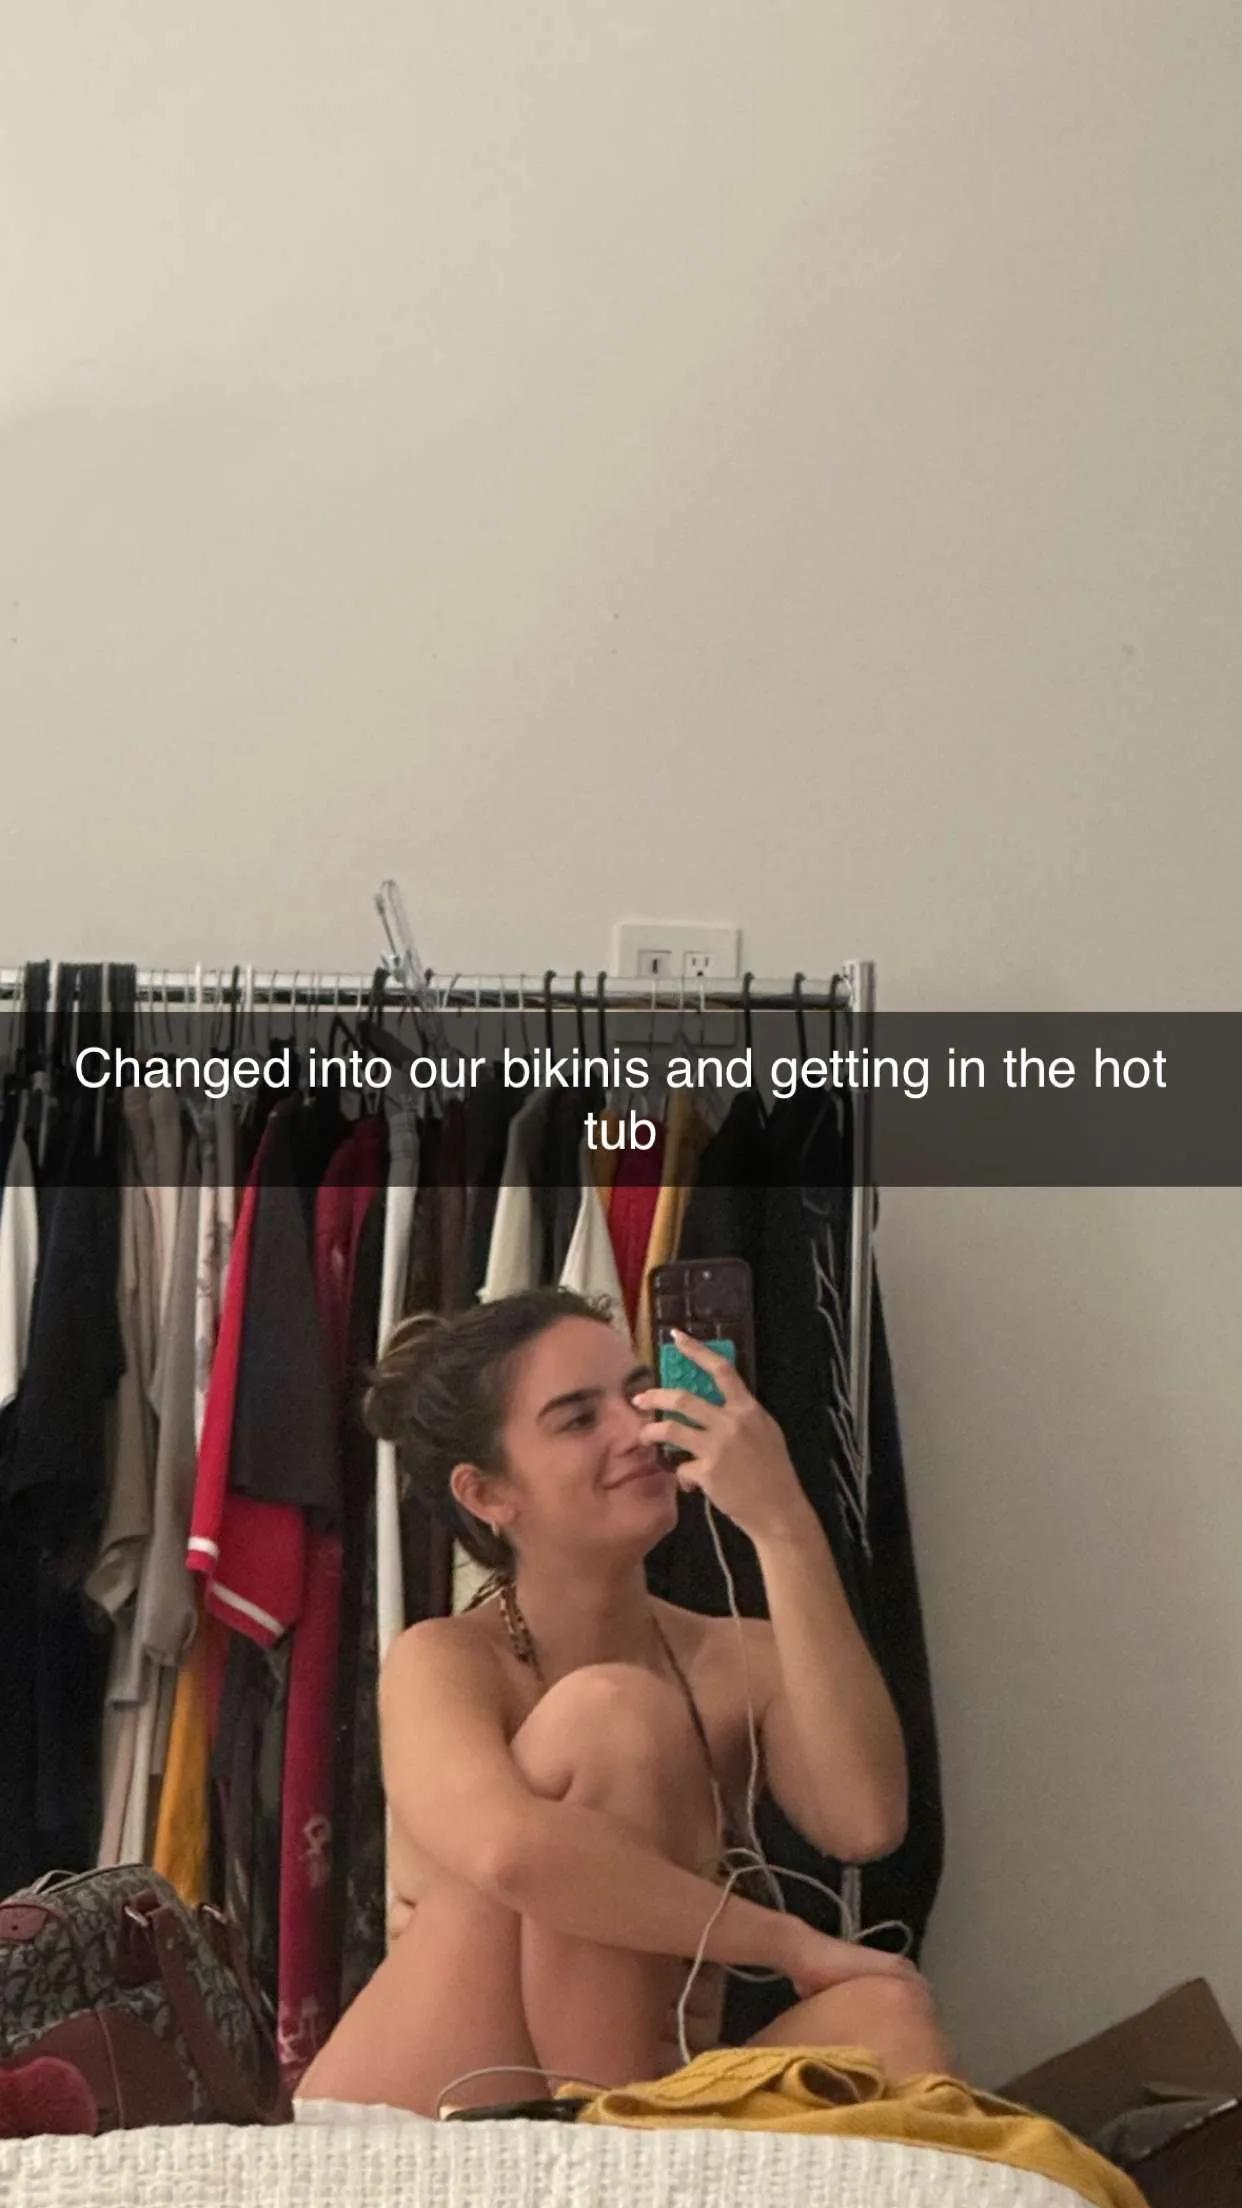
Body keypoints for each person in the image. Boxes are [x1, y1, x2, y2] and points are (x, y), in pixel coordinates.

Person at [297, 1287, 952, 2115]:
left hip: (621, 2094)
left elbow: (866, 1824)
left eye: (640, 1396)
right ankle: (618, 2144)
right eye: (578, 1419)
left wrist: (781, 1519)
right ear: (488, 1495)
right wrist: (789, 1945)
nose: (638, 1431)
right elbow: (510, 1852)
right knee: (613, 1714)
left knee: (888, 2016)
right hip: (429, 2103)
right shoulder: (445, 1660)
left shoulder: (731, 1658)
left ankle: (627, 2134)